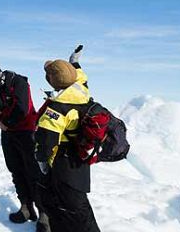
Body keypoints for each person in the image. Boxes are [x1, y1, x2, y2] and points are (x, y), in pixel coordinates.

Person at [35, 46, 100, 232]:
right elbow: (80, 76)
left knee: (69, 209)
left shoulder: (56, 109)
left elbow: (46, 142)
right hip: (80, 157)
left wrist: (42, 162)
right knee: (80, 208)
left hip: (63, 165)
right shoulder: (81, 91)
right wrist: (74, 62)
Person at [0, 61, 49, 231]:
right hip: (9, 134)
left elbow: (22, 108)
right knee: (16, 170)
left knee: (34, 172)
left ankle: (43, 214)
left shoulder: (18, 82)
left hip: (26, 132)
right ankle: (26, 208)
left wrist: (6, 123)